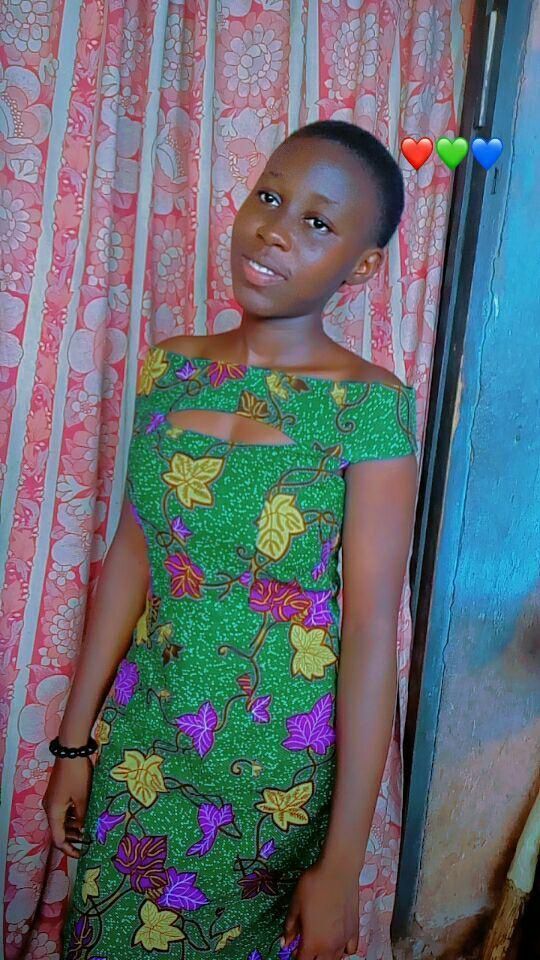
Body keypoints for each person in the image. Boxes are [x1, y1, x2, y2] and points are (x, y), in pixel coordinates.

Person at [44, 119, 418, 960]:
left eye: (317, 222)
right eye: (270, 197)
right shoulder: (170, 368)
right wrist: (74, 742)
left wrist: (342, 865)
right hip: (143, 742)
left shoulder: (371, 408)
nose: (275, 230)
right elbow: (134, 556)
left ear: (361, 267)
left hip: (273, 780)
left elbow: (369, 634)